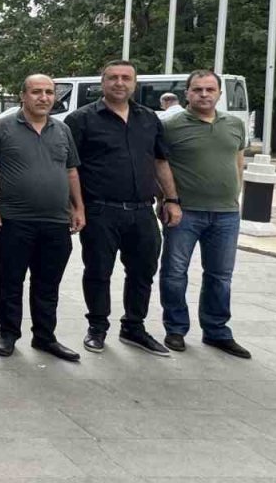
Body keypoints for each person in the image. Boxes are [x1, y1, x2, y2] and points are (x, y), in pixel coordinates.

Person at [65, 60, 181, 357]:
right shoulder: (82, 120)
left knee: (143, 271)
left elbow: (160, 162)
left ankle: (134, 326)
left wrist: (171, 199)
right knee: (98, 271)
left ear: (135, 83)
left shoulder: (149, 119)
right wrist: (74, 206)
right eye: (113, 78)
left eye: (126, 78)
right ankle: (97, 327)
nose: (119, 83)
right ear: (102, 83)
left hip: (142, 211)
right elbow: (68, 167)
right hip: (101, 210)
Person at [0, 74, 85, 362]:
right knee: (11, 280)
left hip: (55, 221)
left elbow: (71, 171)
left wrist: (79, 208)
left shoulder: (62, 130)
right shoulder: (3, 128)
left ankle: (45, 336)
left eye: (49, 92)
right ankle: (8, 333)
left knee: (48, 283)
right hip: (14, 219)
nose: (44, 97)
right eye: (36, 92)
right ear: (22, 95)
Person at [159, 70, 251, 359]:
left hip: (225, 214)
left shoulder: (235, 124)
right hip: (185, 213)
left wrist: (236, 195)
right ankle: (175, 328)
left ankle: (217, 331)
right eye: (197, 89)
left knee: (220, 276)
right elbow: (160, 165)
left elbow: (238, 160)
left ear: (219, 94)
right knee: (175, 273)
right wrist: (167, 200)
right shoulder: (171, 126)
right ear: (186, 93)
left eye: (210, 89)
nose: (203, 94)